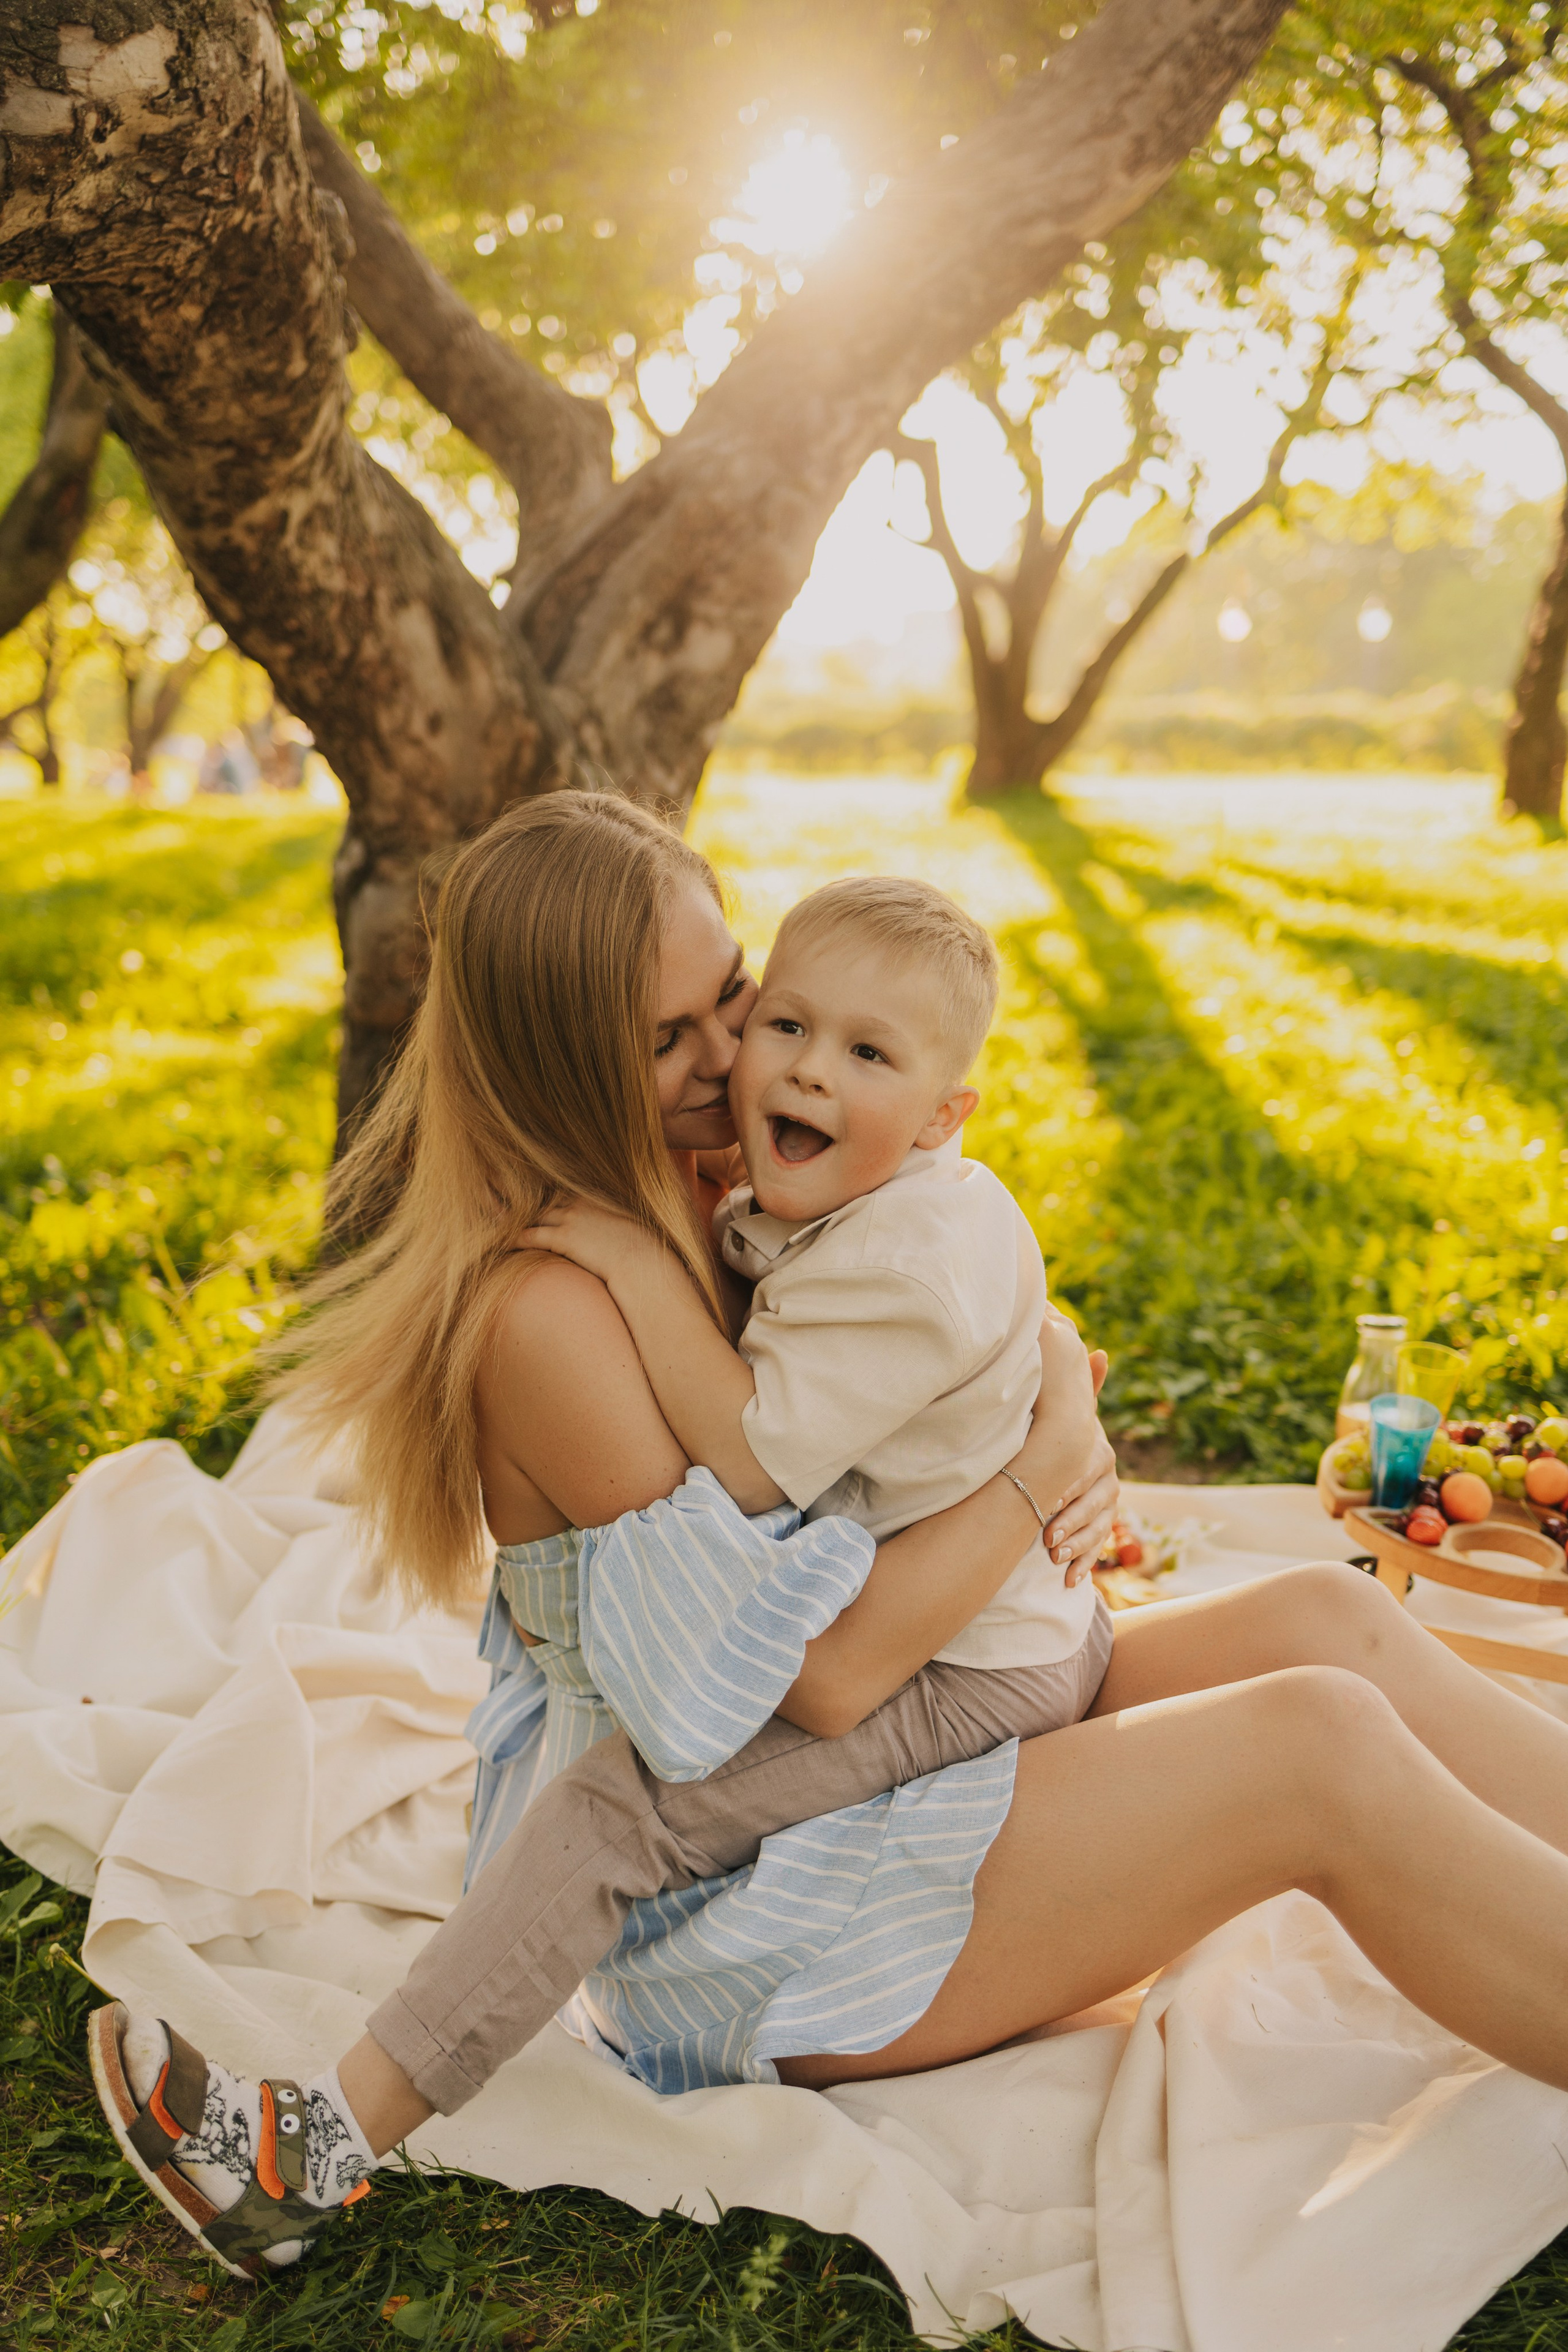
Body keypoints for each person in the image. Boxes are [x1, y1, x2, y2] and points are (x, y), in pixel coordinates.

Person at [88, 791, 1568, 2286]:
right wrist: (1038, 1470)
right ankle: (301, 2161)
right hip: (759, 1900)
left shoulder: (726, 1177)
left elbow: (950, 1297)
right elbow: (820, 1681)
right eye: (672, 1038)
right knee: (1316, 1744)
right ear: (565, 1067)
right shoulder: (555, 1313)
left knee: (1329, 1621)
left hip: (902, 1746)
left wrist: (1056, 1379)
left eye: (731, 995)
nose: (741, 1055)